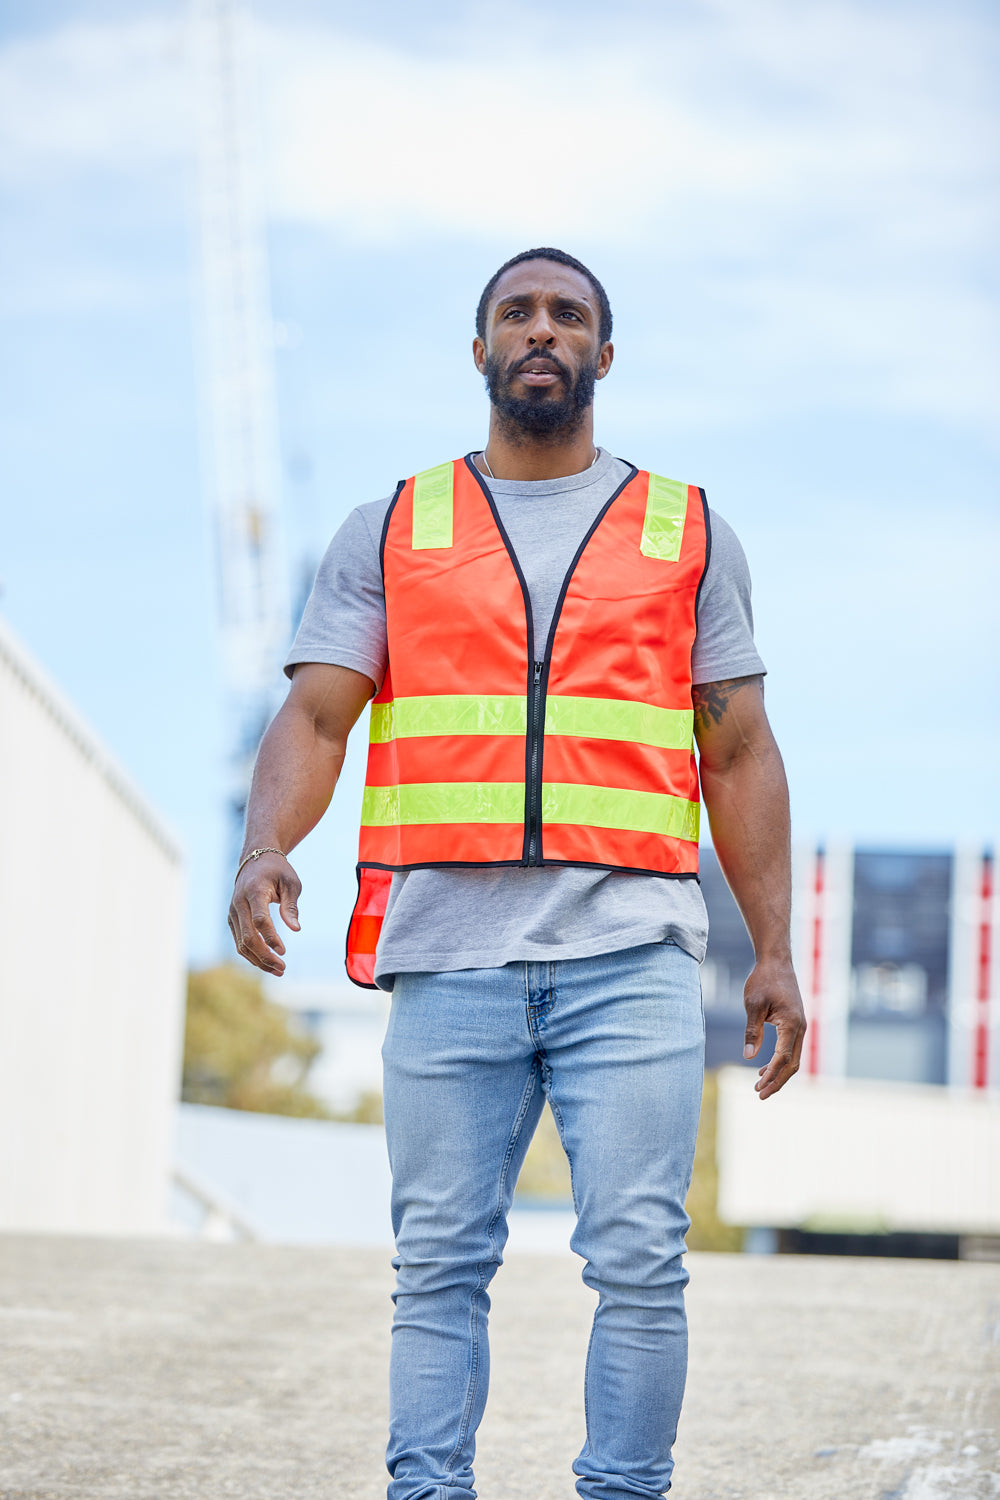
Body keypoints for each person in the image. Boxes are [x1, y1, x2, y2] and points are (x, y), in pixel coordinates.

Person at [229, 246, 806, 1500]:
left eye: (569, 315)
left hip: (631, 955)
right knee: (437, 1265)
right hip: (449, 959)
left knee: (642, 1264)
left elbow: (740, 746)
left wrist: (774, 948)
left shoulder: (685, 529)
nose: (540, 330)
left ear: (604, 353)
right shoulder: (393, 525)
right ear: (480, 348)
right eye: (516, 313)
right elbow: (319, 717)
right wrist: (267, 845)